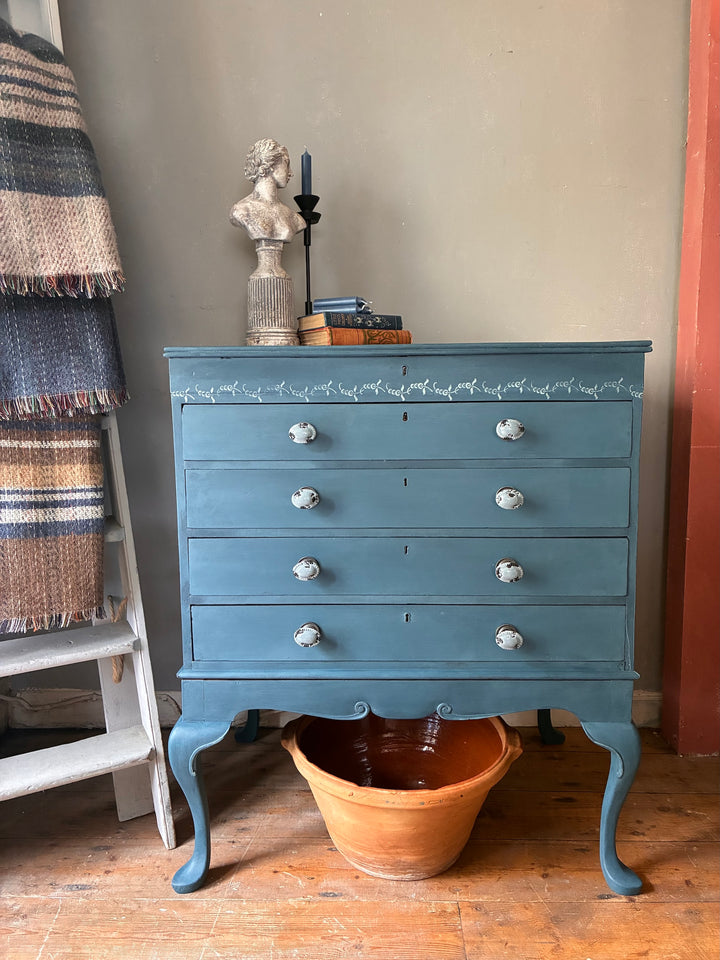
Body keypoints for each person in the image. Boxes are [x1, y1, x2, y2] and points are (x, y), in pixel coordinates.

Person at [230, 139, 306, 243]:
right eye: (286, 164)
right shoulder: (242, 210)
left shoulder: (294, 217)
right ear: (270, 165)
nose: (291, 172)